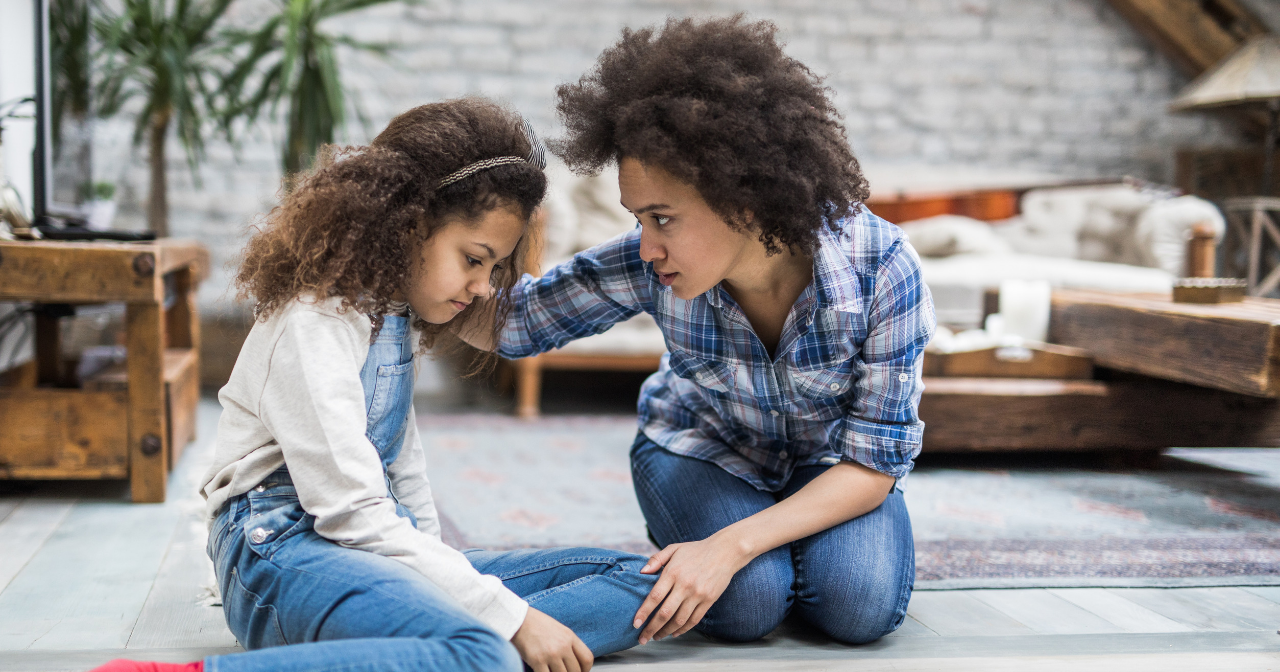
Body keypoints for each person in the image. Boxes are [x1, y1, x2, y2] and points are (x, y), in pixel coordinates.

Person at [91, 98, 657, 672]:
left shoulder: (393, 313)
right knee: (484, 650)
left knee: (643, 582)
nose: (484, 288)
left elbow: (401, 470)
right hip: (279, 549)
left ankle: (420, 652)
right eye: (473, 259)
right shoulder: (316, 320)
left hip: (369, 547)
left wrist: (453, 581)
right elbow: (350, 512)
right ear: (410, 225)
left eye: (492, 269)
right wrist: (507, 618)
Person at [484, 16, 935, 646]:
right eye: (639, 219)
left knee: (857, 606)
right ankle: (751, 559)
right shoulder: (649, 264)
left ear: (742, 197)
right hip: (700, 449)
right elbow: (515, 323)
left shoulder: (882, 269)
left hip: (832, 465)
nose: (647, 246)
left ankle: (772, 551)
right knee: (746, 606)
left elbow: (873, 462)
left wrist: (730, 546)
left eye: (663, 218)